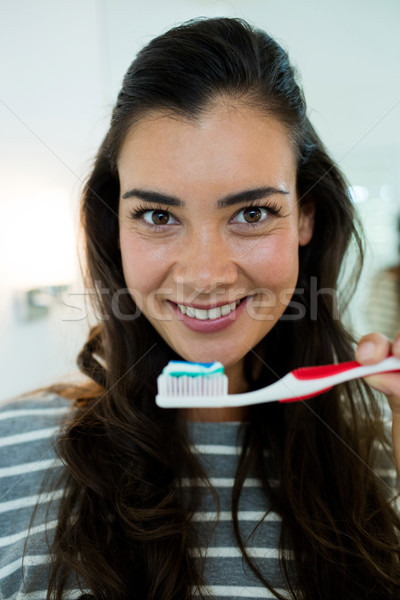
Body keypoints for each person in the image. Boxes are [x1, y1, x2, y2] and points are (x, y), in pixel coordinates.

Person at [1, 17, 400, 600]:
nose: (205, 275)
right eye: (158, 217)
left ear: (306, 218)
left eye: (253, 213)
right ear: (116, 227)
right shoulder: (9, 447)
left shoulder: (379, 458)